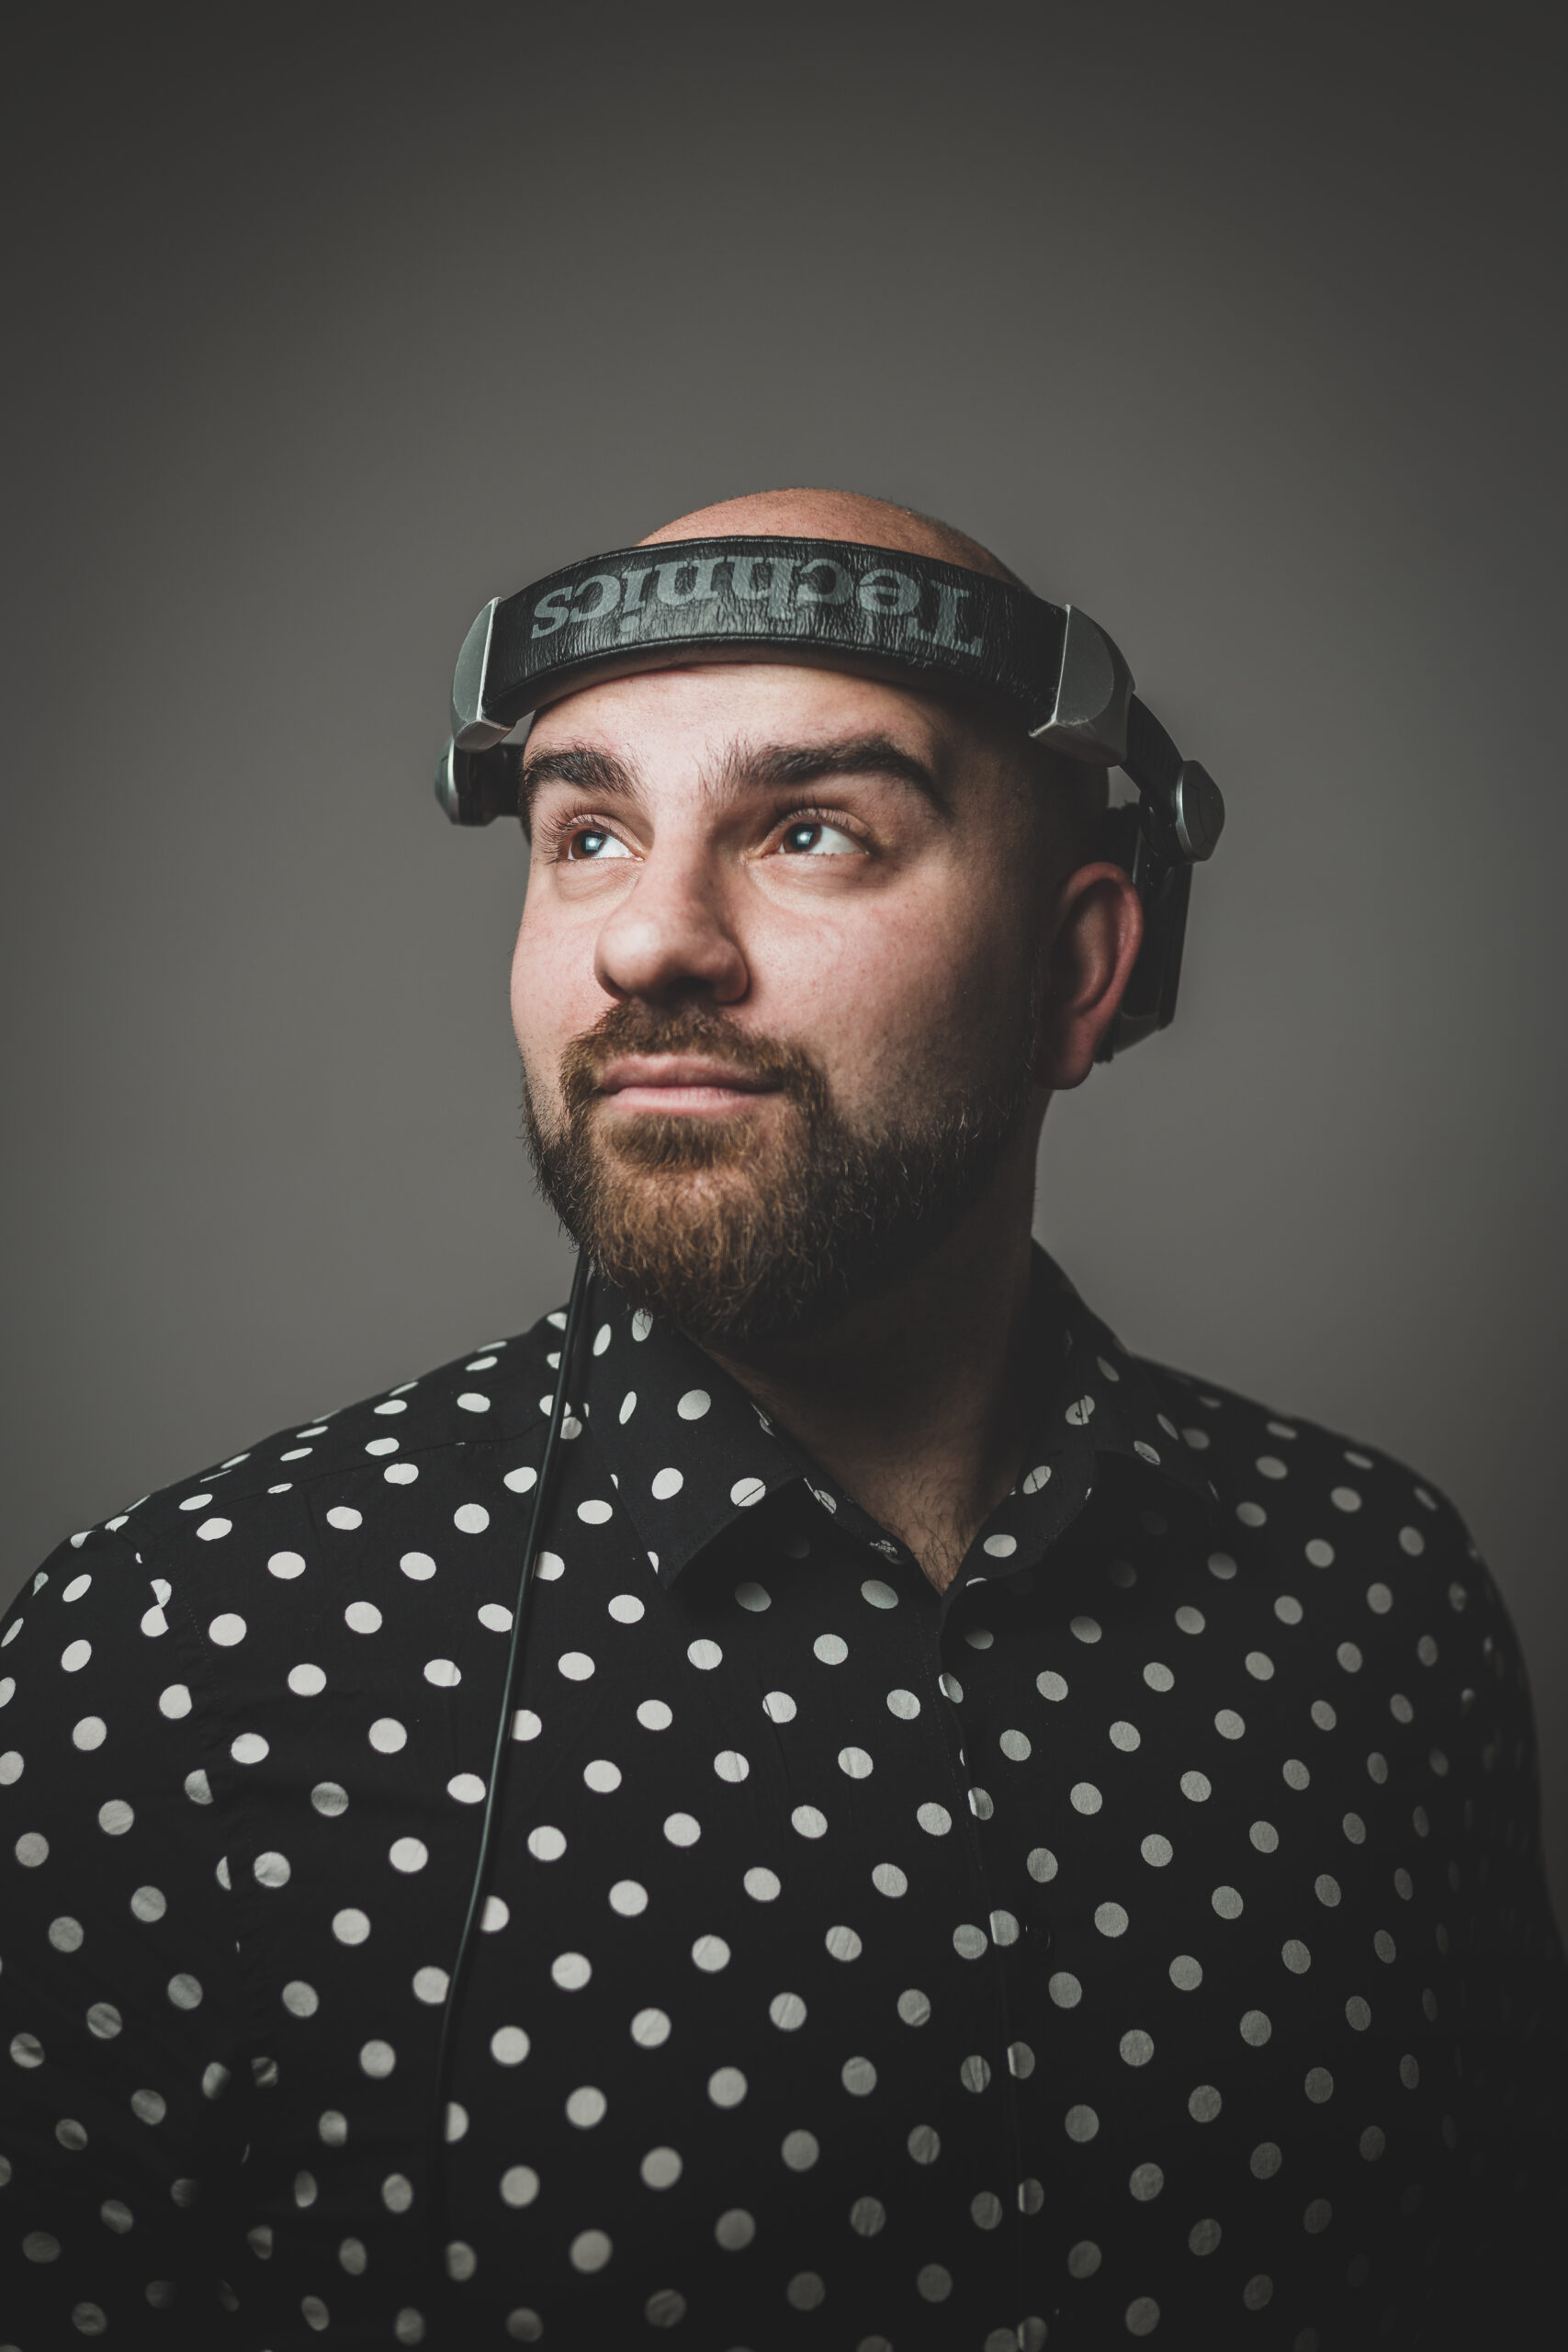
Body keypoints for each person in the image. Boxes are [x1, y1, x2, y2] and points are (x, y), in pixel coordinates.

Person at [1, 489, 1562, 2352]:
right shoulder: (170, 1657)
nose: (650, 942)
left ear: (1079, 971)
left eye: (811, 829)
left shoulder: (1379, 1602)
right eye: (587, 834)